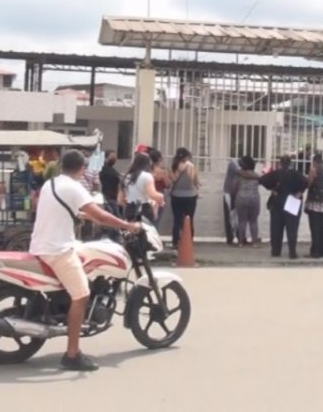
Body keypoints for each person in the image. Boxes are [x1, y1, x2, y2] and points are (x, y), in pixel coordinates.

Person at [30, 150, 142, 372]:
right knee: (81, 295)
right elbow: (99, 215)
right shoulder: (75, 188)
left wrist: (91, 217)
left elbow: (77, 212)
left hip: (40, 245)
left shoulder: (51, 184)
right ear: (82, 169)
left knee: (83, 258)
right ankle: (72, 354)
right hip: (57, 250)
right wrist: (128, 226)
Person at [260, 155, 307, 259]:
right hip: (292, 202)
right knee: (292, 229)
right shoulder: (296, 174)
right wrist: (299, 193)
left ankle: (276, 251)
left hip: (278, 202)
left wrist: (272, 189)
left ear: (280, 163)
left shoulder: (275, 174)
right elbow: (306, 182)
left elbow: (262, 180)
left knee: (276, 229)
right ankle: (292, 252)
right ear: (290, 163)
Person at [120, 152, 165, 223]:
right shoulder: (147, 176)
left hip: (129, 209)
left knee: (130, 232)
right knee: (145, 232)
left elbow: (120, 200)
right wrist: (161, 196)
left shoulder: (127, 176)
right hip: (144, 210)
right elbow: (153, 195)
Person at [169, 148, 200, 248]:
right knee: (189, 219)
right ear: (187, 156)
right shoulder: (190, 166)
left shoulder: (174, 166)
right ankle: (188, 241)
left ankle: (175, 241)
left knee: (177, 219)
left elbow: (172, 180)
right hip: (190, 196)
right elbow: (195, 180)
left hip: (176, 196)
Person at [233, 156, 262, 246]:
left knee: (242, 221)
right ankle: (254, 243)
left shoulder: (239, 175)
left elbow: (234, 187)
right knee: (253, 221)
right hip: (254, 198)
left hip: (241, 198)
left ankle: (241, 242)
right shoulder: (257, 176)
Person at [222, 157, 241, 245]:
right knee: (229, 216)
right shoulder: (233, 163)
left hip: (237, 193)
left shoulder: (239, 165)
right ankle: (230, 238)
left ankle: (238, 236)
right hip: (229, 193)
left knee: (237, 216)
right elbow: (240, 171)